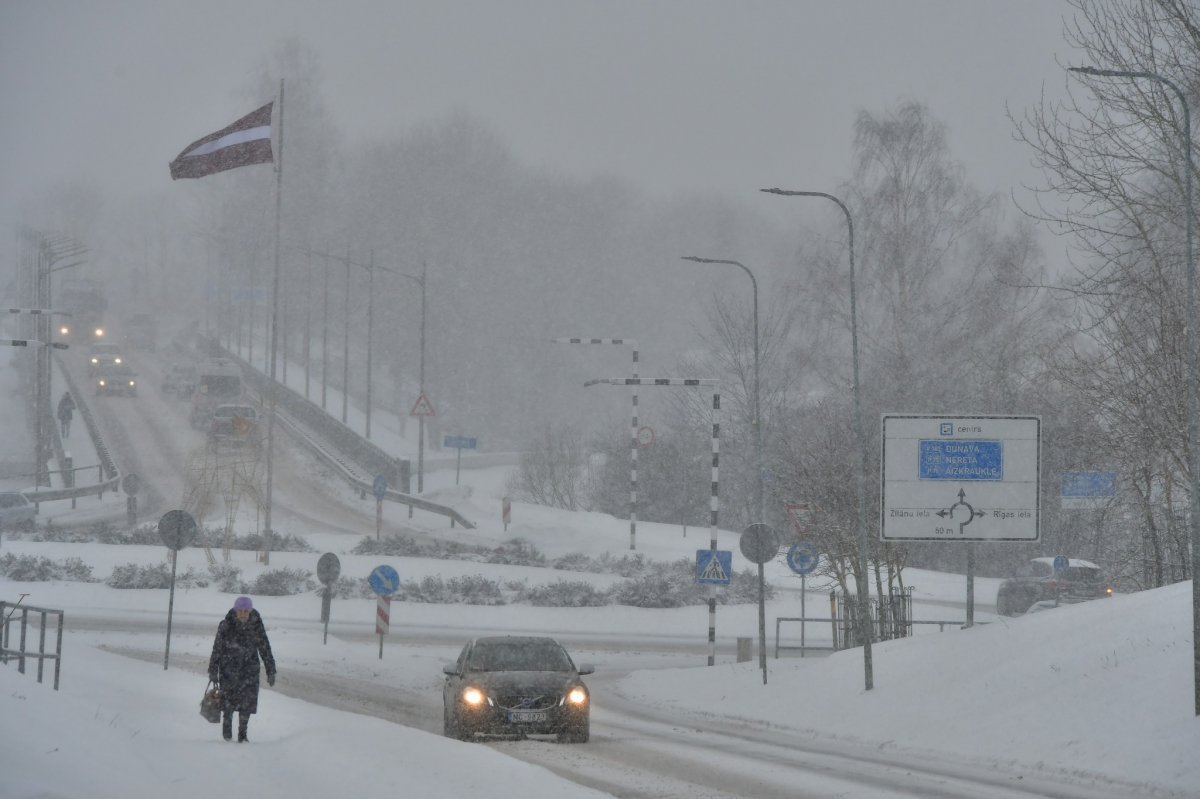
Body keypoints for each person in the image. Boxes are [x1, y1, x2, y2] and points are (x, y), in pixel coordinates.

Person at [207, 596, 276, 742]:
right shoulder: (225, 625)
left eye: (246, 611)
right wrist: (213, 670)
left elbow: (265, 648)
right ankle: (227, 735)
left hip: (249, 671)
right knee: (228, 704)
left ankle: (242, 735)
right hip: (228, 670)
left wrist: (271, 669)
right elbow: (217, 649)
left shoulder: (256, 626)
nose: (243, 613)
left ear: (250, 612)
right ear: (235, 611)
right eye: (240, 610)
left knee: (246, 704)